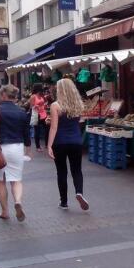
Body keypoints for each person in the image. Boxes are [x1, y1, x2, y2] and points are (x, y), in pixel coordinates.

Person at [0, 84, 31, 222]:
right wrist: (28, 149)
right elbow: (26, 133)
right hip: (17, 147)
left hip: (0, 149)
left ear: (4, 95)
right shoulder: (22, 111)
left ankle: (5, 211)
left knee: (0, 181)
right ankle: (17, 201)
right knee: (16, 179)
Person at [47, 79, 89, 211]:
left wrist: (49, 145)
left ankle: (64, 202)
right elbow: (80, 121)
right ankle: (79, 192)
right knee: (77, 170)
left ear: (60, 90)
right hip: (76, 141)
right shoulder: (78, 104)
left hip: (60, 142)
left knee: (61, 172)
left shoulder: (56, 105)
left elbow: (54, 127)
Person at [29, 84, 48, 152]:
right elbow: (31, 107)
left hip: (44, 114)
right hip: (37, 115)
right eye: (41, 87)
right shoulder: (33, 96)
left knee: (47, 128)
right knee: (37, 131)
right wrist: (37, 106)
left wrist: (44, 105)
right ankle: (38, 146)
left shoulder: (41, 96)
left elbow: (43, 104)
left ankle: (47, 144)